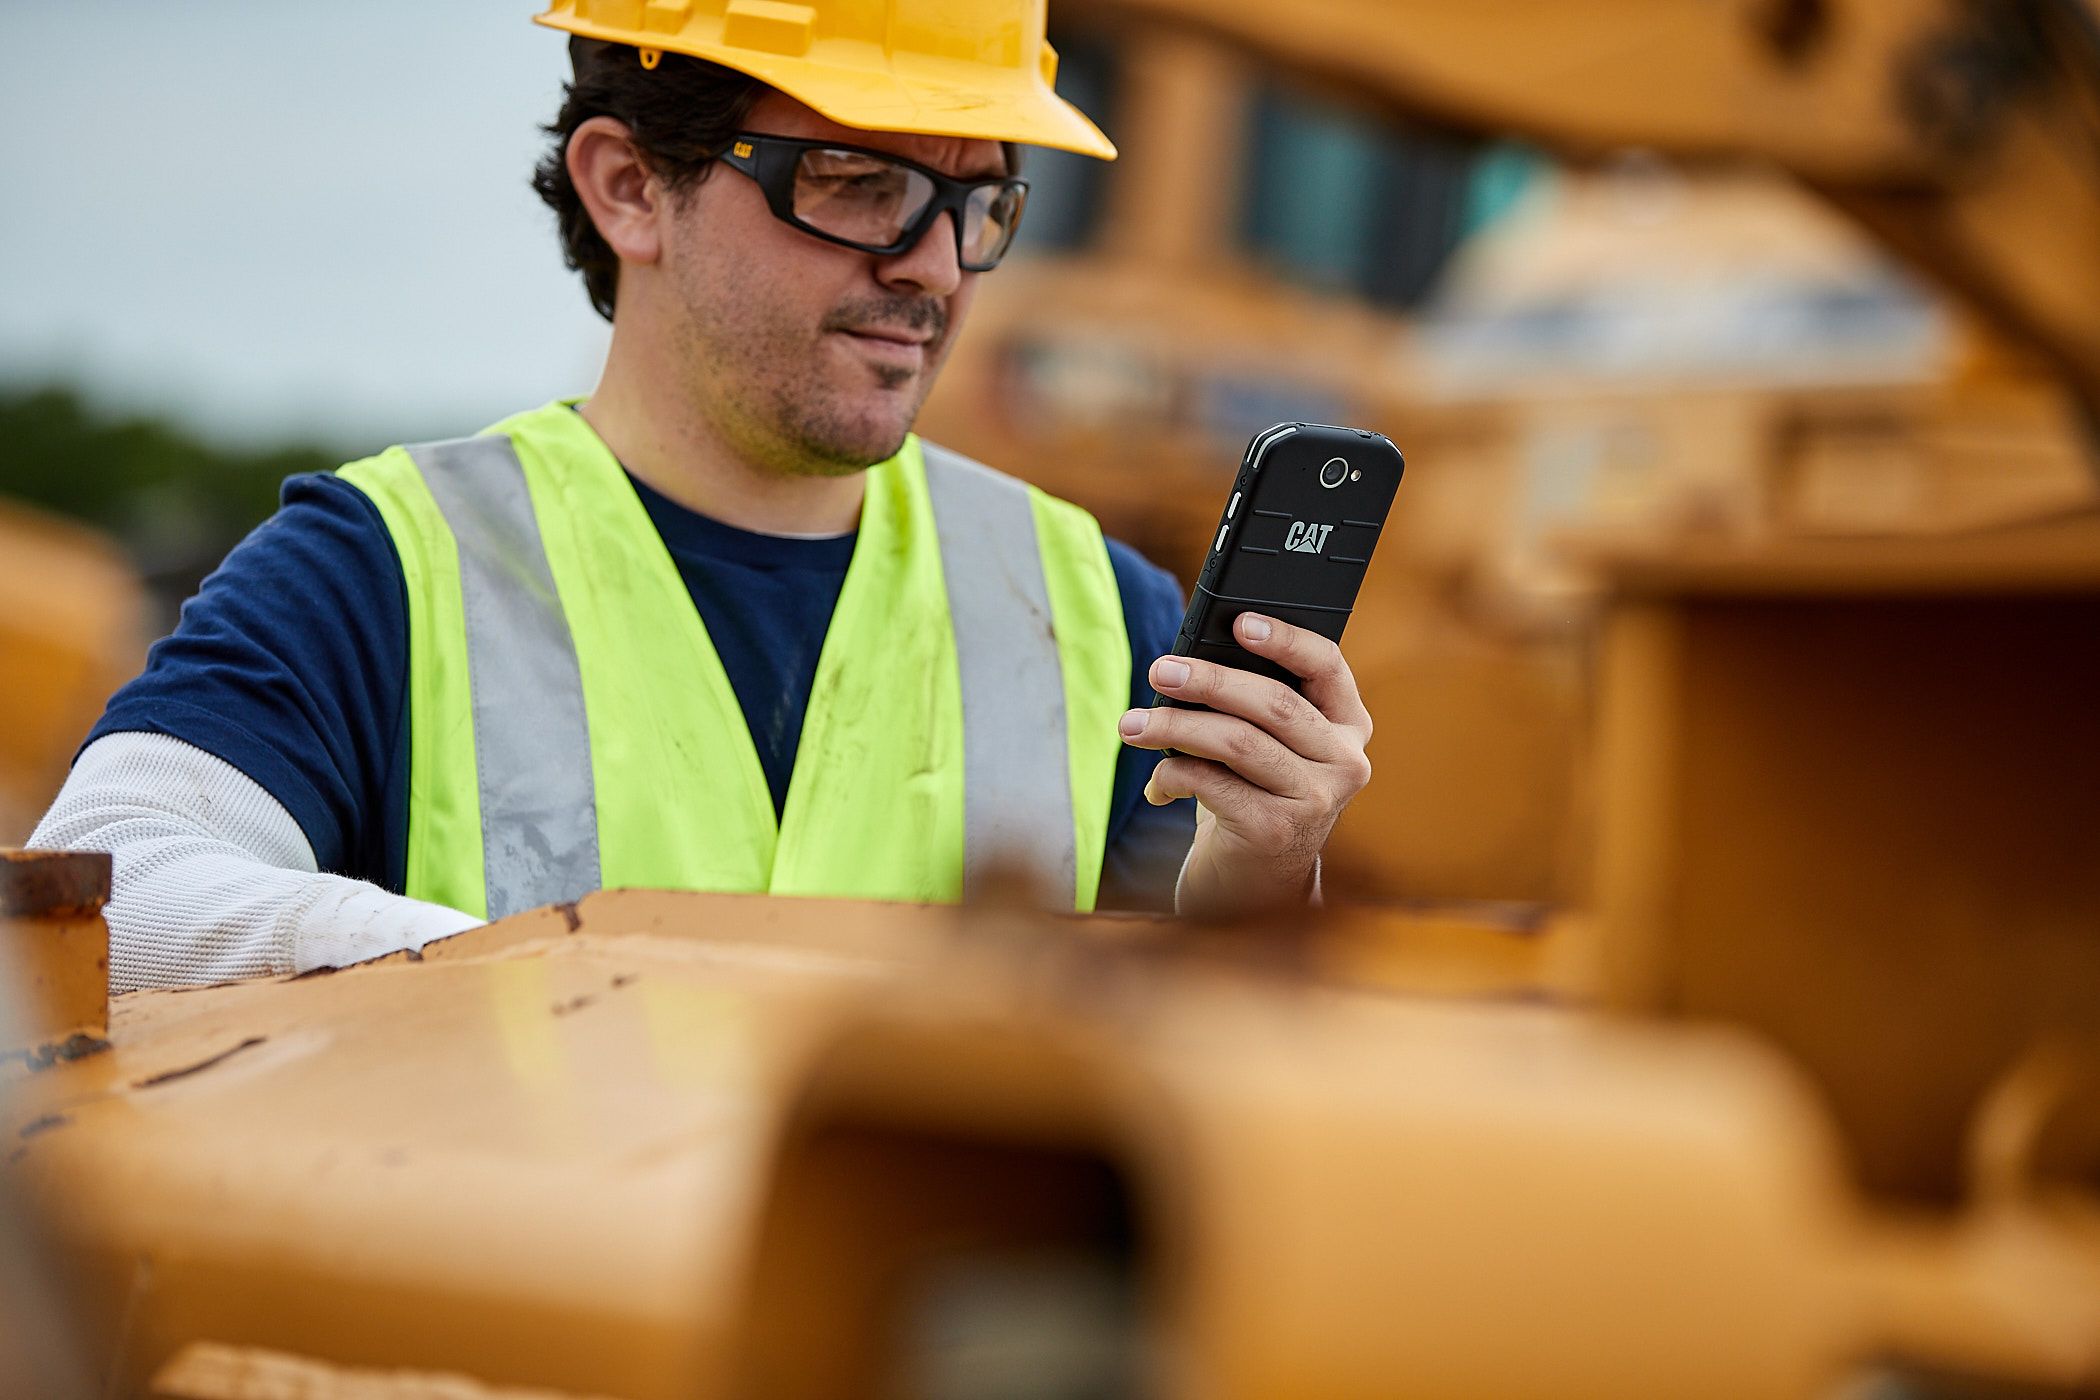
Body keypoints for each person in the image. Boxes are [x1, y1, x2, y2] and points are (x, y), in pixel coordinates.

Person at [30, 0, 1375, 994]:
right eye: (860, 184)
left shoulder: (1095, 606)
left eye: (980, 204)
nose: (935, 269)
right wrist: (521, 979)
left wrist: (1255, 878)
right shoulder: (384, 569)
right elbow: (106, 889)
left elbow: (1167, 1072)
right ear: (629, 188)